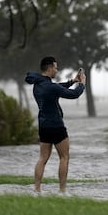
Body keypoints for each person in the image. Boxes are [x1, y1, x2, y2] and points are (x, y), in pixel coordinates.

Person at [25, 56, 86, 195]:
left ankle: (36, 190)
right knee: (64, 157)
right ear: (50, 68)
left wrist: (73, 81)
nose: (57, 70)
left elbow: (57, 88)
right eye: (56, 67)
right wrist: (82, 83)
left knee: (43, 158)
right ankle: (62, 191)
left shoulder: (38, 84)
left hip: (44, 126)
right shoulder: (51, 87)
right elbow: (74, 94)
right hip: (57, 126)